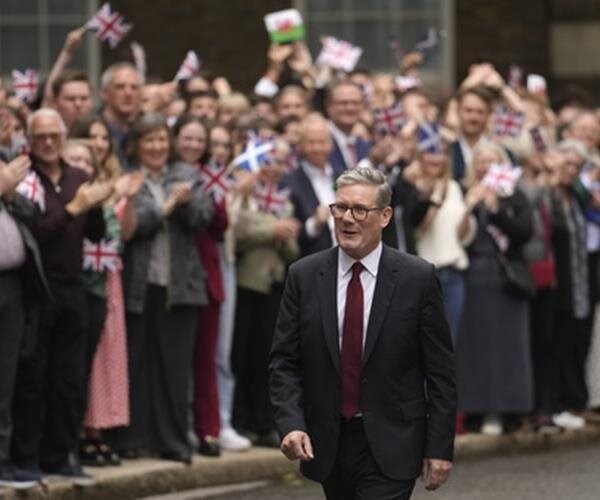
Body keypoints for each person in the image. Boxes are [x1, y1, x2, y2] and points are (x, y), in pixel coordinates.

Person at [270, 167, 456, 499]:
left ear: (385, 216)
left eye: (359, 210)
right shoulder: (305, 276)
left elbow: (440, 372)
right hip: (329, 442)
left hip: (394, 441)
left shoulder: (417, 278)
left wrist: (440, 446)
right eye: (339, 208)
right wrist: (292, 423)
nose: (347, 219)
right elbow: (284, 360)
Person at [11, 109, 111, 484]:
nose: (49, 143)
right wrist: (73, 209)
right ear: (31, 140)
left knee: (69, 379)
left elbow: (96, 234)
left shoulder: (78, 176)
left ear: (65, 136)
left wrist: (97, 203)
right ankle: (25, 456)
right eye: (41, 137)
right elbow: (33, 233)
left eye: (55, 135)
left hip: (74, 288)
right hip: (37, 288)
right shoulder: (25, 178)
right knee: (32, 377)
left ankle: (60, 454)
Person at [108, 113, 213, 463]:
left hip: (179, 286)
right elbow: (134, 228)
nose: (156, 147)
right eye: (148, 140)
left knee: (175, 366)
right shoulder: (125, 177)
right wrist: (167, 205)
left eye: (161, 140)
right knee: (135, 363)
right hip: (136, 284)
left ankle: (173, 441)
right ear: (136, 145)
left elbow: (204, 218)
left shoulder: (186, 173)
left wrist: (185, 204)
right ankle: (131, 439)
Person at [456, 142, 534, 436]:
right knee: (477, 347)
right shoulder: (464, 192)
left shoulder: (514, 195)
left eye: (492, 161)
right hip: (475, 277)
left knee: (508, 347)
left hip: (507, 278)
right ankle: (478, 409)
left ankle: (508, 408)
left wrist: (496, 209)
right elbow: (457, 233)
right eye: (480, 161)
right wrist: (470, 205)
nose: (486, 166)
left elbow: (524, 233)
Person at [0, 155, 49, 490]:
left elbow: (34, 216)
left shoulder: (5, 170)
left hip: (13, 286)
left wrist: (8, 193)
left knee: (6, 378)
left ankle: (2, 457)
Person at [283, 113, 337, 257]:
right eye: (311, 142)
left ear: (331, 144)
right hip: (315, 261)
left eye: (322, 142)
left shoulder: (343, 176)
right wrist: (315, 223)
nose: (317, 148)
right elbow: (292, 233)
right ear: (300, 145)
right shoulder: (290, 183)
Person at [326, 81, 371, 174]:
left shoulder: (365, 144)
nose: (350, 108)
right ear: (329, 106)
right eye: (343, 103)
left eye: (355, 103)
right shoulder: (319, 141)